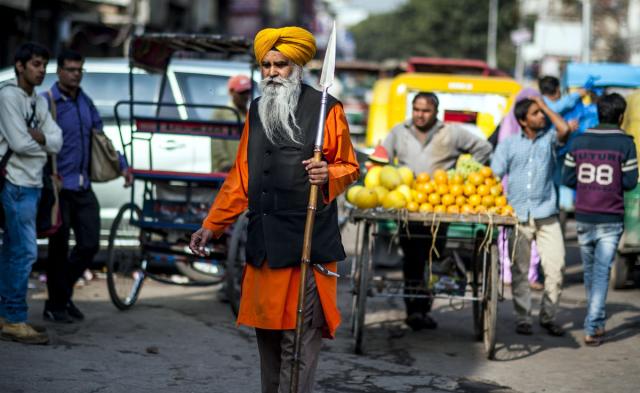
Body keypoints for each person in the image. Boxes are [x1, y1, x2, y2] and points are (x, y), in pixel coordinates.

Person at [189, 26, 359, 393]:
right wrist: (212, 225)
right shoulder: (256, 108)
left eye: (279, 65)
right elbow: (241, 176)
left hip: (306, 247)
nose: (271, 73)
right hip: (264, 245)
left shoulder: (327, 109)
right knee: (267, 339)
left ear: (296, 65)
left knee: (298, 342)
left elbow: (349, 167)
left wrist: (327, 171)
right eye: (266, 65)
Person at [382, 92, 492, 331]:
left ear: (436, 112)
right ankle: (414, 311)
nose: (420, 115)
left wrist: (465, 177)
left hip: (440, 207)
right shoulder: (399, 131)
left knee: (433, 258)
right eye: (417, 109)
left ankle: (424, 308)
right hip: (408, 207)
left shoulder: (451, 132)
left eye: (426, 110)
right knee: (411, 259)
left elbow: (483, 148)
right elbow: (381, 158)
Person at [41, 49, 131, 323]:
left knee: (90, 244)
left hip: (82, 187)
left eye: (79, 70)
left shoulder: (85, 102)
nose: (75, 75)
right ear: (59, 72)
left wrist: (123, 166)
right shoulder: (47, 103)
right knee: (58, 251)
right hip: (58, 188)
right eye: (70, 69)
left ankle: (59, 297)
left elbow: (102, 138)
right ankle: (57, 304)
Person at [562, 93, 638, 346]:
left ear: (598, 112)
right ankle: (593, 324)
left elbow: (568, 179)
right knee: (602, 272)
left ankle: (595, 320)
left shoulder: (579, 140)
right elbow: (629, 182)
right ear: (620, 116)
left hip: (584, 215)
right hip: (610, 217)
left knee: (592, 271)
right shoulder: (626, 144)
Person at [491, 96, 571, 337]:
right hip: (517, 216)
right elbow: (494, 175)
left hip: (547, 215)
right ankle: (523, 317)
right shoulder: (508, 145)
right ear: (523, 120)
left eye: (542, 113)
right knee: (520, 271)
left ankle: (548, 316)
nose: (541, 117)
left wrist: (545, 105)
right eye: (536, 113)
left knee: (556, 268)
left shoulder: (549, 141)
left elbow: (564, 128)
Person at [0, 42, 62, 344]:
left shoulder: (38, 101)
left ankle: (5, 315)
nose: (41, 71)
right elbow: (20, 143)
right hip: (14, 184)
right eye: (36, 64)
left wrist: (41, 141)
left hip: (33, 185)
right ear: (20, 66)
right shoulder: (8, 96)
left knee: (13, 251)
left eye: (43, 65)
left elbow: (58, 139)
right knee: (24, 252)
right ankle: (14, 318)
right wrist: (42, 143)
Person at [211, 74, 252, 173]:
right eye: (241, 92)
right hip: (226, 172)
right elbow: (216, 142)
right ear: (231, 92)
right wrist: (224, 163)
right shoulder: (220, 113)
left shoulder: (251, 114)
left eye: (247, 92)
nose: (246, 96)